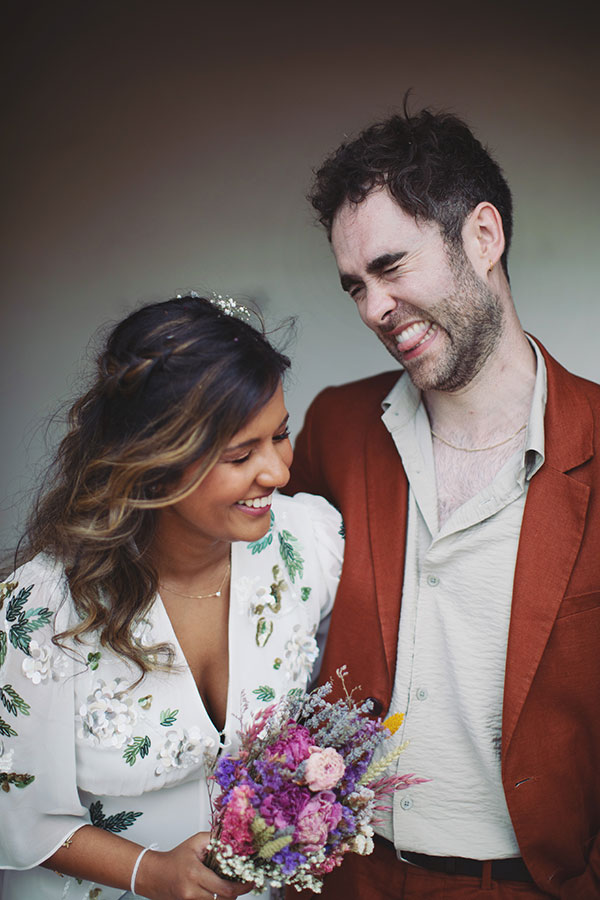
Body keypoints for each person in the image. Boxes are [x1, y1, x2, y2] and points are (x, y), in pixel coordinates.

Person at [285, 104, 600, 898]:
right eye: (355, 285)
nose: (372, 309)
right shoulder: (334, 426)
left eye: (392, 268)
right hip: (349, 876)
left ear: (483, 238)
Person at [0, 294, 344, 900]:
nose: (279, 472)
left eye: (281, 436)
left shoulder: (307, 542)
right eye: (241, 455)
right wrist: (150, 872)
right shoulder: (46, 607)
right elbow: (15, 807)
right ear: (154, 464)